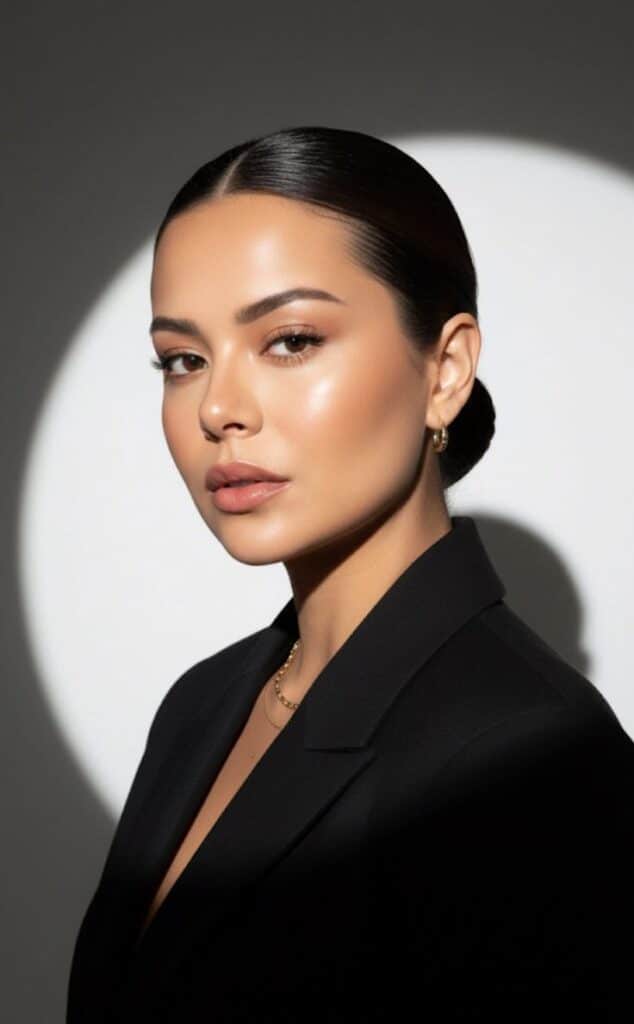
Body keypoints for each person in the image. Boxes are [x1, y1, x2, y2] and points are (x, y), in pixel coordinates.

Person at [66, 126, 634, 1022]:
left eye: (290, 340)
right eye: (183, 359)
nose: (218, 408)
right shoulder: (202, 704)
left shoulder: (534, 757)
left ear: (446, 370)